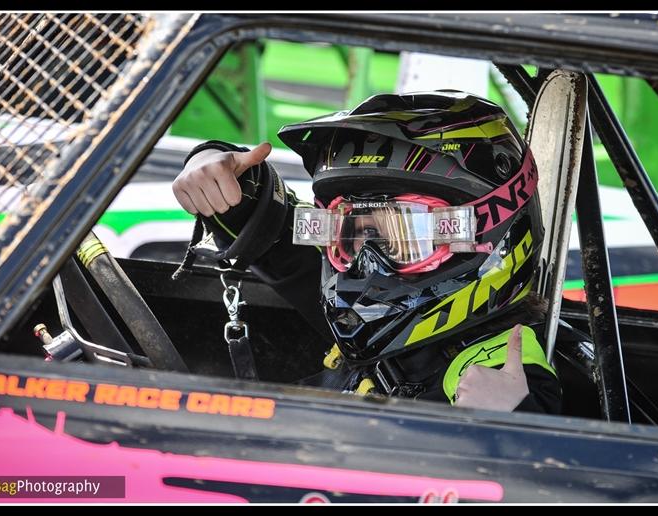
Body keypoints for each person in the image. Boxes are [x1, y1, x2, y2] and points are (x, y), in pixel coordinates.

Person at [172, 90, 561, 414]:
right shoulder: (370, 314)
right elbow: (272, 235)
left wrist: (513, 424)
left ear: (488, 234)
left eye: (401, 235)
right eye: (351, 232)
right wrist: (211, 164)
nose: (366, 262)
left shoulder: (512, 377)